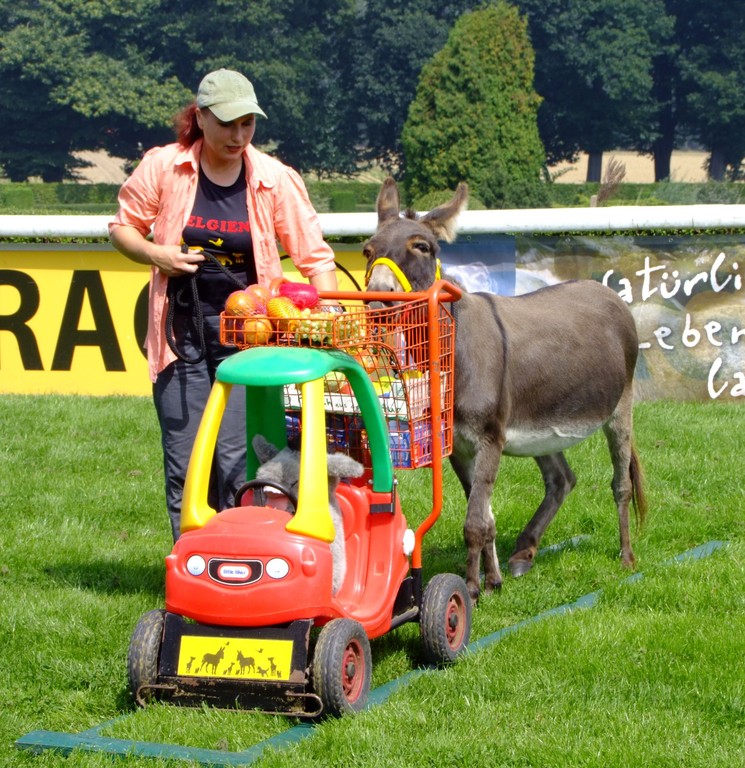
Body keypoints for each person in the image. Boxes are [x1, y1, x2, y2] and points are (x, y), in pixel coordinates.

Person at [109, 68, 339, 542]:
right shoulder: (164, 166)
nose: (239, 136)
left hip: (250, 341)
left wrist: (329, 316)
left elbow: (315, 257)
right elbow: (122, 227)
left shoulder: (275, 178)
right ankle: (192, 567)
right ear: (201, 118)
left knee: (239, 460)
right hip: (179, 334)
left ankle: (245, 567)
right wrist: (157, 254)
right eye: (228, 124)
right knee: (186, 461)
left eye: (248, 125)